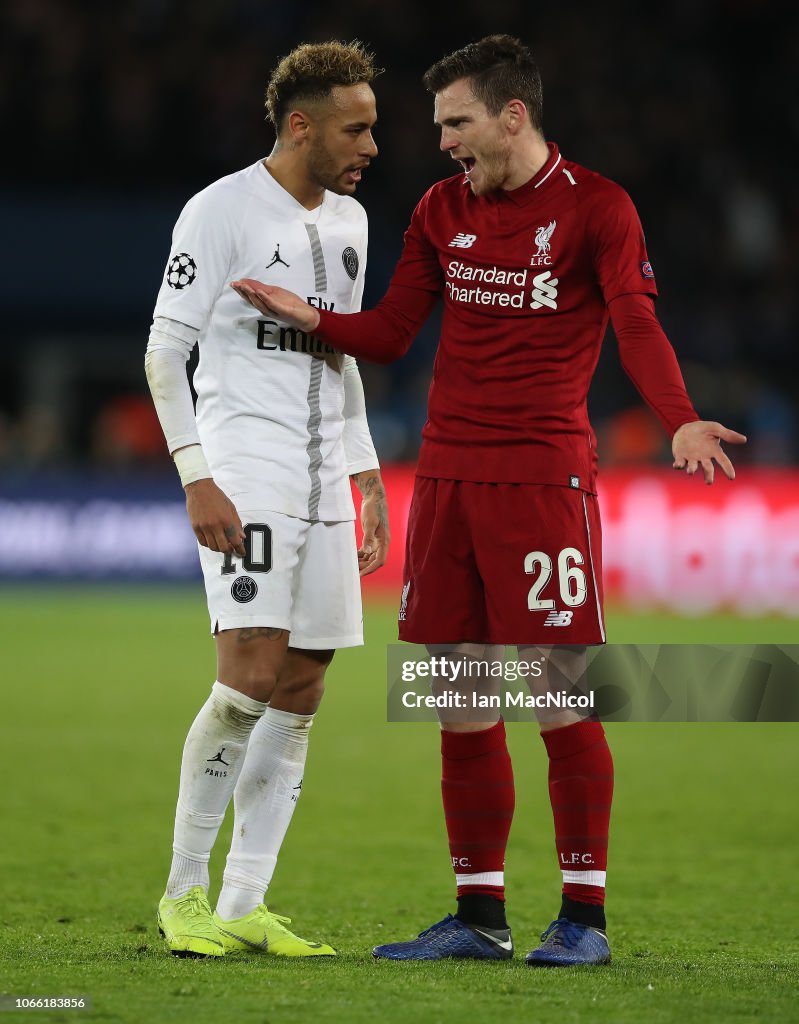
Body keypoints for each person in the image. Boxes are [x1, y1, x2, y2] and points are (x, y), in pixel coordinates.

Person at [232, 35, 746, 967]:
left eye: (455, 123)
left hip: (542, 481)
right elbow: (390, 332)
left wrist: (677, 418)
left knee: (557, 693)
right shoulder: (440, 209)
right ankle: (478, 916)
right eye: (438, 128)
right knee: (458, 696)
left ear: (513, 116)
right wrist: (313, 321)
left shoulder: (598, 210)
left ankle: (583, 917)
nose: (441, 143)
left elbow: (636, 320)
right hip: (447, 484)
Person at [144, 40, 388, 959]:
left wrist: (365, 474)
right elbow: (164, 352)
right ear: (301, 125)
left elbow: (345, 350)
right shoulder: (219, 210)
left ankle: (246, 901)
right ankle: (183, 895)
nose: (370, 145)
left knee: (303, 682)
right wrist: (196, 473)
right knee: (247, 672)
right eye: (355, 128)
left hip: (327, 470)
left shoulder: (355, 223)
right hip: (246, 465)